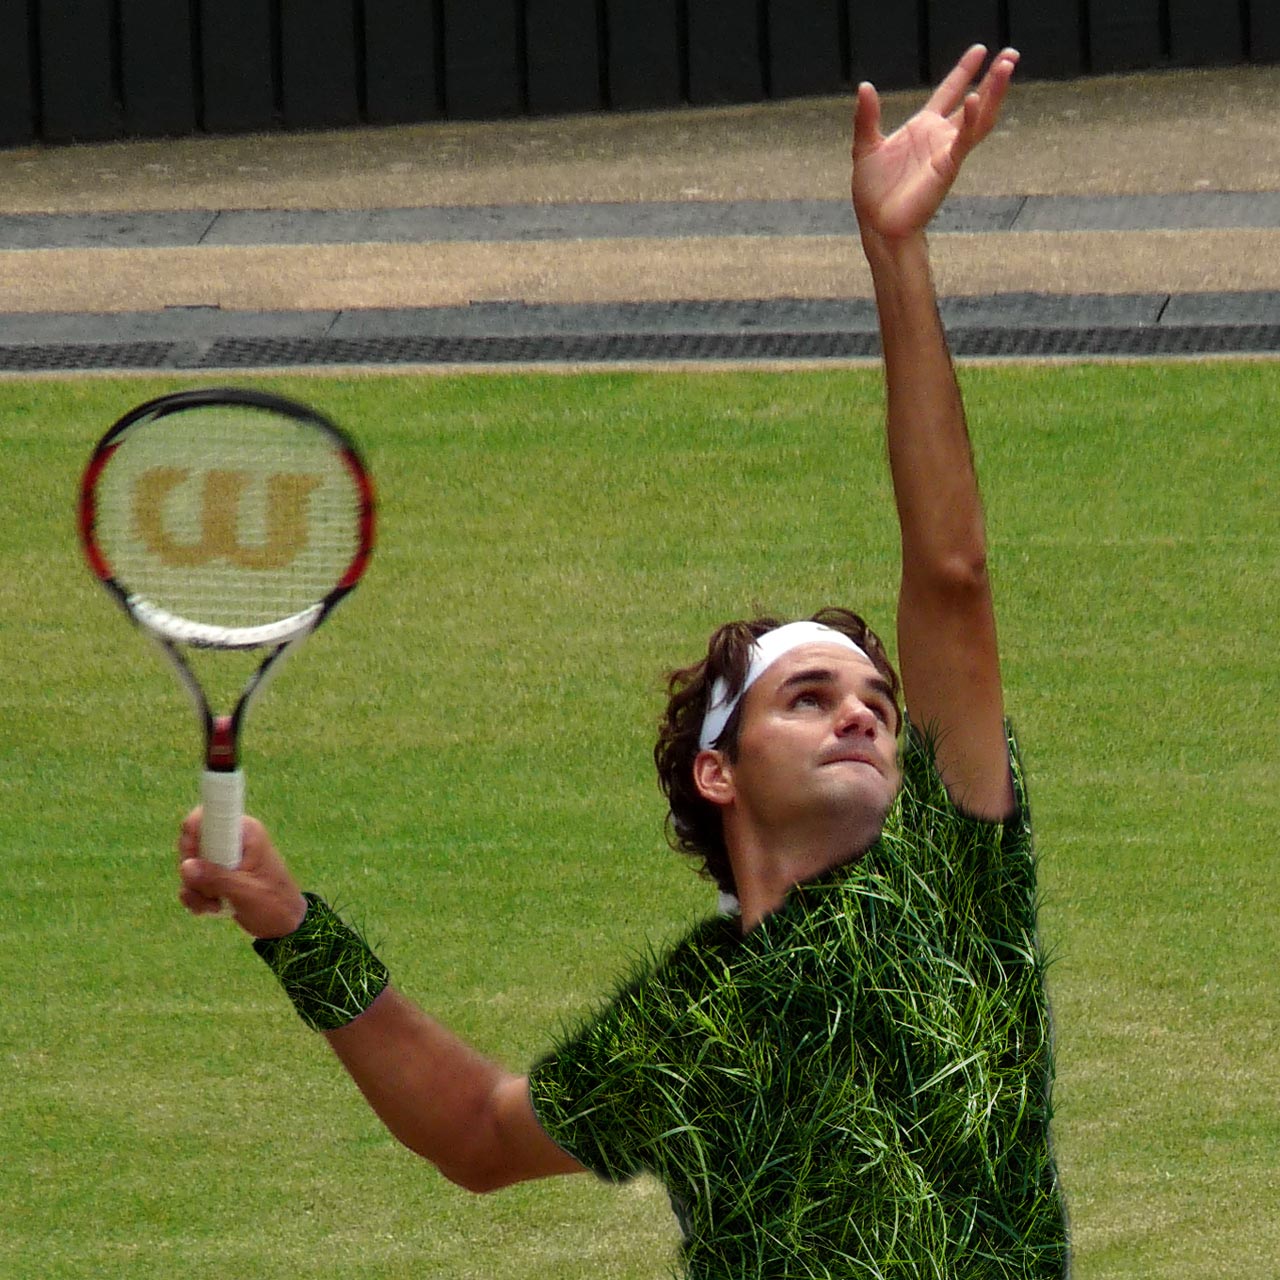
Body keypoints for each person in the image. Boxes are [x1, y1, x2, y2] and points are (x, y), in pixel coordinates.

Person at [178, 44, 1068, 1278]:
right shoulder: (683, 1019)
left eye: (873, 699)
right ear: (720, 772)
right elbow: (480, 1133)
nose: (863, 714)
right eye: (807, 697)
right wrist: (287, 921)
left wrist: (895, 257)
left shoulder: (954, 878)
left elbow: (950, 574)